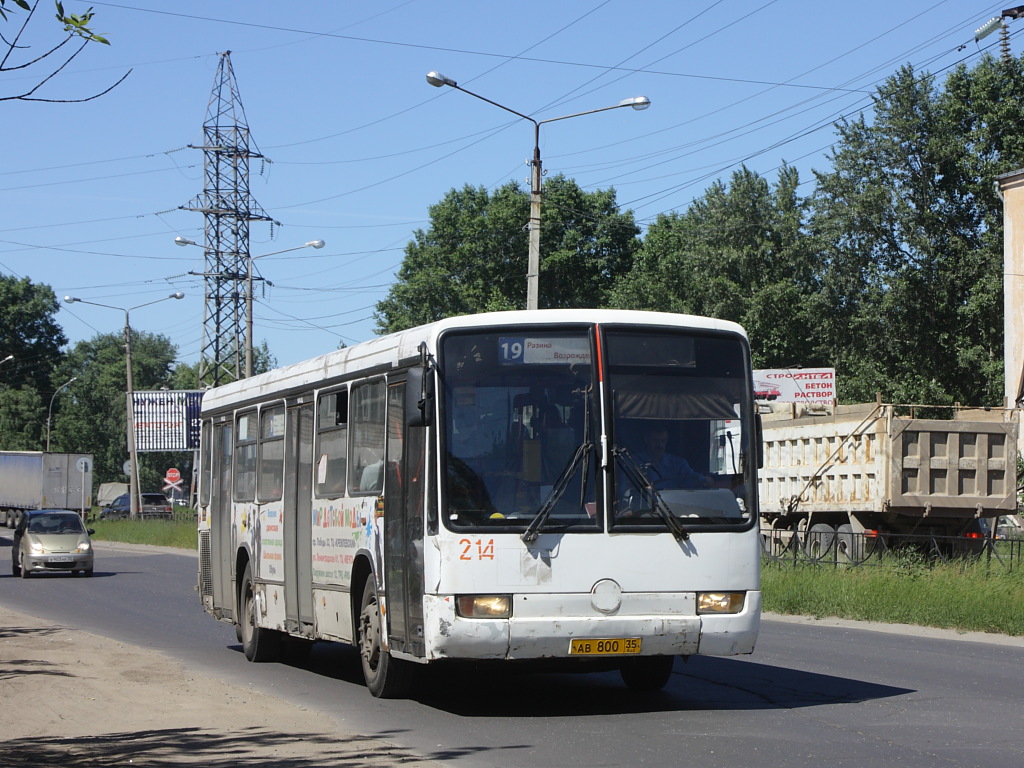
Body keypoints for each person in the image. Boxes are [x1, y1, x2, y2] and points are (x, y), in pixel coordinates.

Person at [633, 423, 707, 489]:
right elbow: (624, 489)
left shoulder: (678, 464)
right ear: (646, 439)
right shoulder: (633, 462)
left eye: (663, 441)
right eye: (655, 441)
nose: (660, 445)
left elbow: (691, 478)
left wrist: (704, 480)